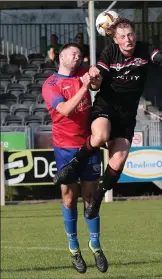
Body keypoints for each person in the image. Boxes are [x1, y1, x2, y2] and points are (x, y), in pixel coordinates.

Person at [53, 18, 162, 219]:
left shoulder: (145, 50)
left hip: (127, 114)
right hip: (106, 105)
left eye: (130, 34)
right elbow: (98, 77)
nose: (128, 39)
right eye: (122, 36)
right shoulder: (110, 52)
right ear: (116, 40)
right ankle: (72, 167)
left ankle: (98, 200)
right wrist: (93, 78)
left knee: (118, 162)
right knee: (100, 135)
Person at [42, 43, 108, 274]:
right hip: (65, 148)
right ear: (61, 56)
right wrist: (84, 86)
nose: (77, 57)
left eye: (80, 54)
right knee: (69, 198)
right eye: (73, 53)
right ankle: (73, 248)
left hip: (88, 144)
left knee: (91, 196)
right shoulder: (50, 85)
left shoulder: (83, 73)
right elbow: (66, 110)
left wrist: (95, 77)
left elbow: (98, 84)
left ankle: (96, 245)